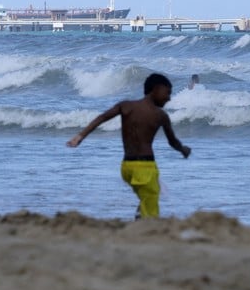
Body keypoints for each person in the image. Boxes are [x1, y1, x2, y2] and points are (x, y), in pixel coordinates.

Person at [66, 73, 191, 219]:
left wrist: (80, 136)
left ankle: (140, 214)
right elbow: (172, 142)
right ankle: (146, 227)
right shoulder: (160, 115)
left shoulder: (126, 106)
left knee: (149, 193)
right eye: (167, 92)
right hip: (144, 167)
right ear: (155, 89)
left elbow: (101, 118)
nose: (169, 98)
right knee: (151, 203)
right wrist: (183, 149)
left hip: (127, 167)